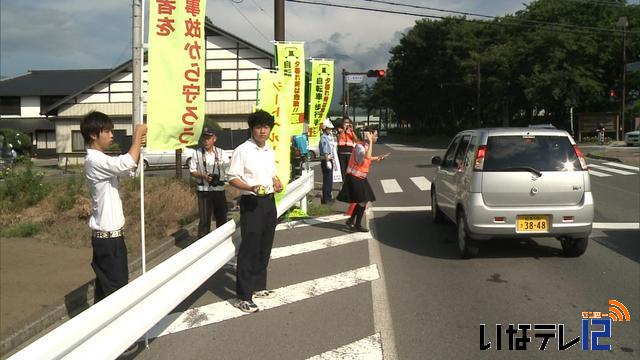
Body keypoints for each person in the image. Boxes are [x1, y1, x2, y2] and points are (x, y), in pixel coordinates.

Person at [81, 111, 146, 356]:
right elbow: (126, 163)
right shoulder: (95, 160)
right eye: (106, 131)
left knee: (106, 287)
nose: (111, 135)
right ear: (93, 135)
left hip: (111, 237)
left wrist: (137, 147)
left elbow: (128, 168)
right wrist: (137, 136)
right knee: (116, 287)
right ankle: (117, 339)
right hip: (106, 239)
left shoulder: (101, 160)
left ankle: (100, 336)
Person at [227, 110, 283, 313]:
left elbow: (272, 173)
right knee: (249, 249)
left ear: (270, 129)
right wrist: (249, 187)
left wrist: (276, 182)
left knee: (265, 245)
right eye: (258, 127)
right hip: (251, 202)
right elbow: (232, 177)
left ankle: (259, 286)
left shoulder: (269, 149)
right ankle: (243, 296)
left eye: (266, 127)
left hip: (269, 202)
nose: (262, 131)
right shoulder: (243, 150)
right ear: (252, 129)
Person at [337, 125, 387, 232]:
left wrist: (378, 157)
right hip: (354, 177)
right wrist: (370, 142)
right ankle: (356, 224)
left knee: (363, 201)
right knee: (363, 200)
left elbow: (367, 158)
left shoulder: (364, 146)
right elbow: (366, 157)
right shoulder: (360, 146)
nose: (376, 137)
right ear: (369, 135)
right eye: (375, 135)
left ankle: (352, 221)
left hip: (360, 177)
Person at [189, 125, 230, 238]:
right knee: (204, 220)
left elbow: (228, 169)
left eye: (208, 138)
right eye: (204, 138)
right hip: (203, 191)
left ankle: (222, 240)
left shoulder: (222, 153)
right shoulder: (196, 153)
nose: (206, 141)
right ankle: (202, 244)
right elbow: (192, 171)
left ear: (214, 139)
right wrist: (203, 175)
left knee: (221, 217)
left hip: (219, 190)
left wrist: (221, 177)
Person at [319, 118, 335, 204]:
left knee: (329, 179)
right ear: (325, 128)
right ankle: (326, 198)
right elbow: (325, 150)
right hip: (326, 160)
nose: (330, 130)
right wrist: (328, 161)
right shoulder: (323, 137)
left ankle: (328, 196)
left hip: (329, 159)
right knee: (327, 180)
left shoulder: (328, 136)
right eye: (329, 128)